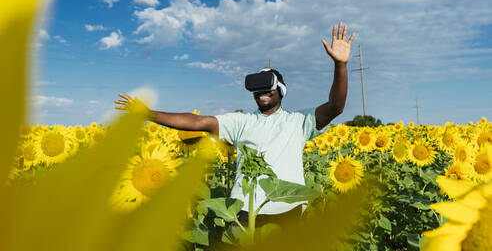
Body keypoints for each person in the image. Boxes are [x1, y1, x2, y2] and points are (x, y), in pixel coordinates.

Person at [115, 21, 355, 227]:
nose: (262, 93)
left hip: (287, 211)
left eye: (268, 87)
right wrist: (149, 114)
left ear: (281, 91)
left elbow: (335, 107)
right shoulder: (241, 122)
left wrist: (340, 65)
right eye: (257, 89)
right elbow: (199, 121)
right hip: (243, 211)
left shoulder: (299, 122)